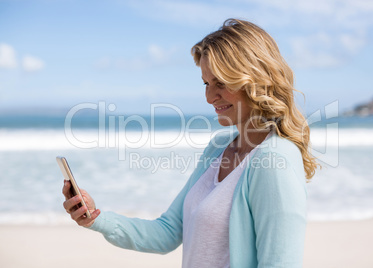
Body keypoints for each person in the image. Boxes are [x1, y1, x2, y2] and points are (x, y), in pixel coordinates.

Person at [62, 18, 319, 267]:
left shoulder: (277, 158)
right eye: (206, 83)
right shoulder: (218, 148)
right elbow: (167, 232)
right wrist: (96, 217)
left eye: (221, 82)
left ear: (255, 79)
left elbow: (280, 262)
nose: (210, 97)